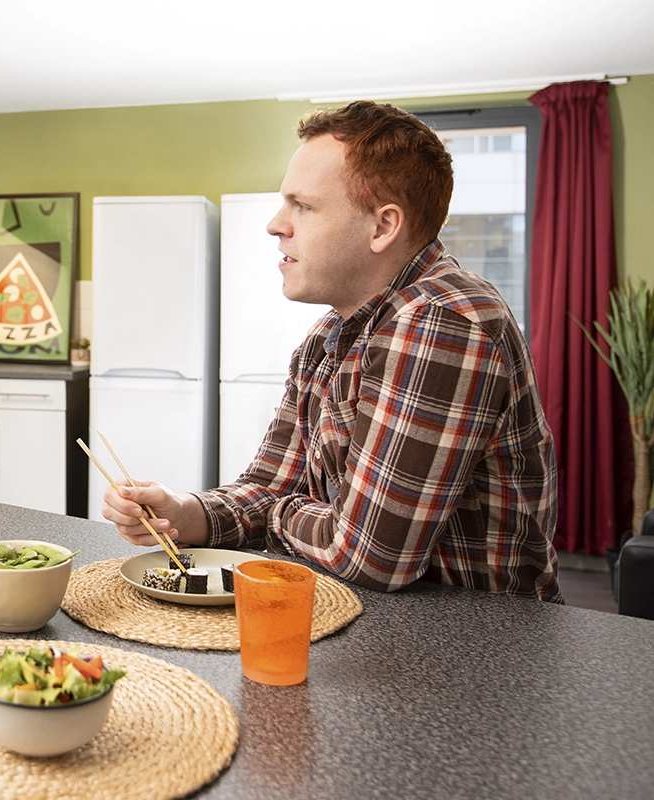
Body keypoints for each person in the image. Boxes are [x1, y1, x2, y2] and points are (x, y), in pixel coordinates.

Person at [103, 101, 563, 602]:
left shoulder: (442, 321)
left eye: (303, 205)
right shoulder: (329, 336)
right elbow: (272, 479)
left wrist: (280, 511)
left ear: (383, 227)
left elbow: (369, 556)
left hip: (479, 648)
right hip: (367, 621)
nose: (276, 224)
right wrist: (183, 512)